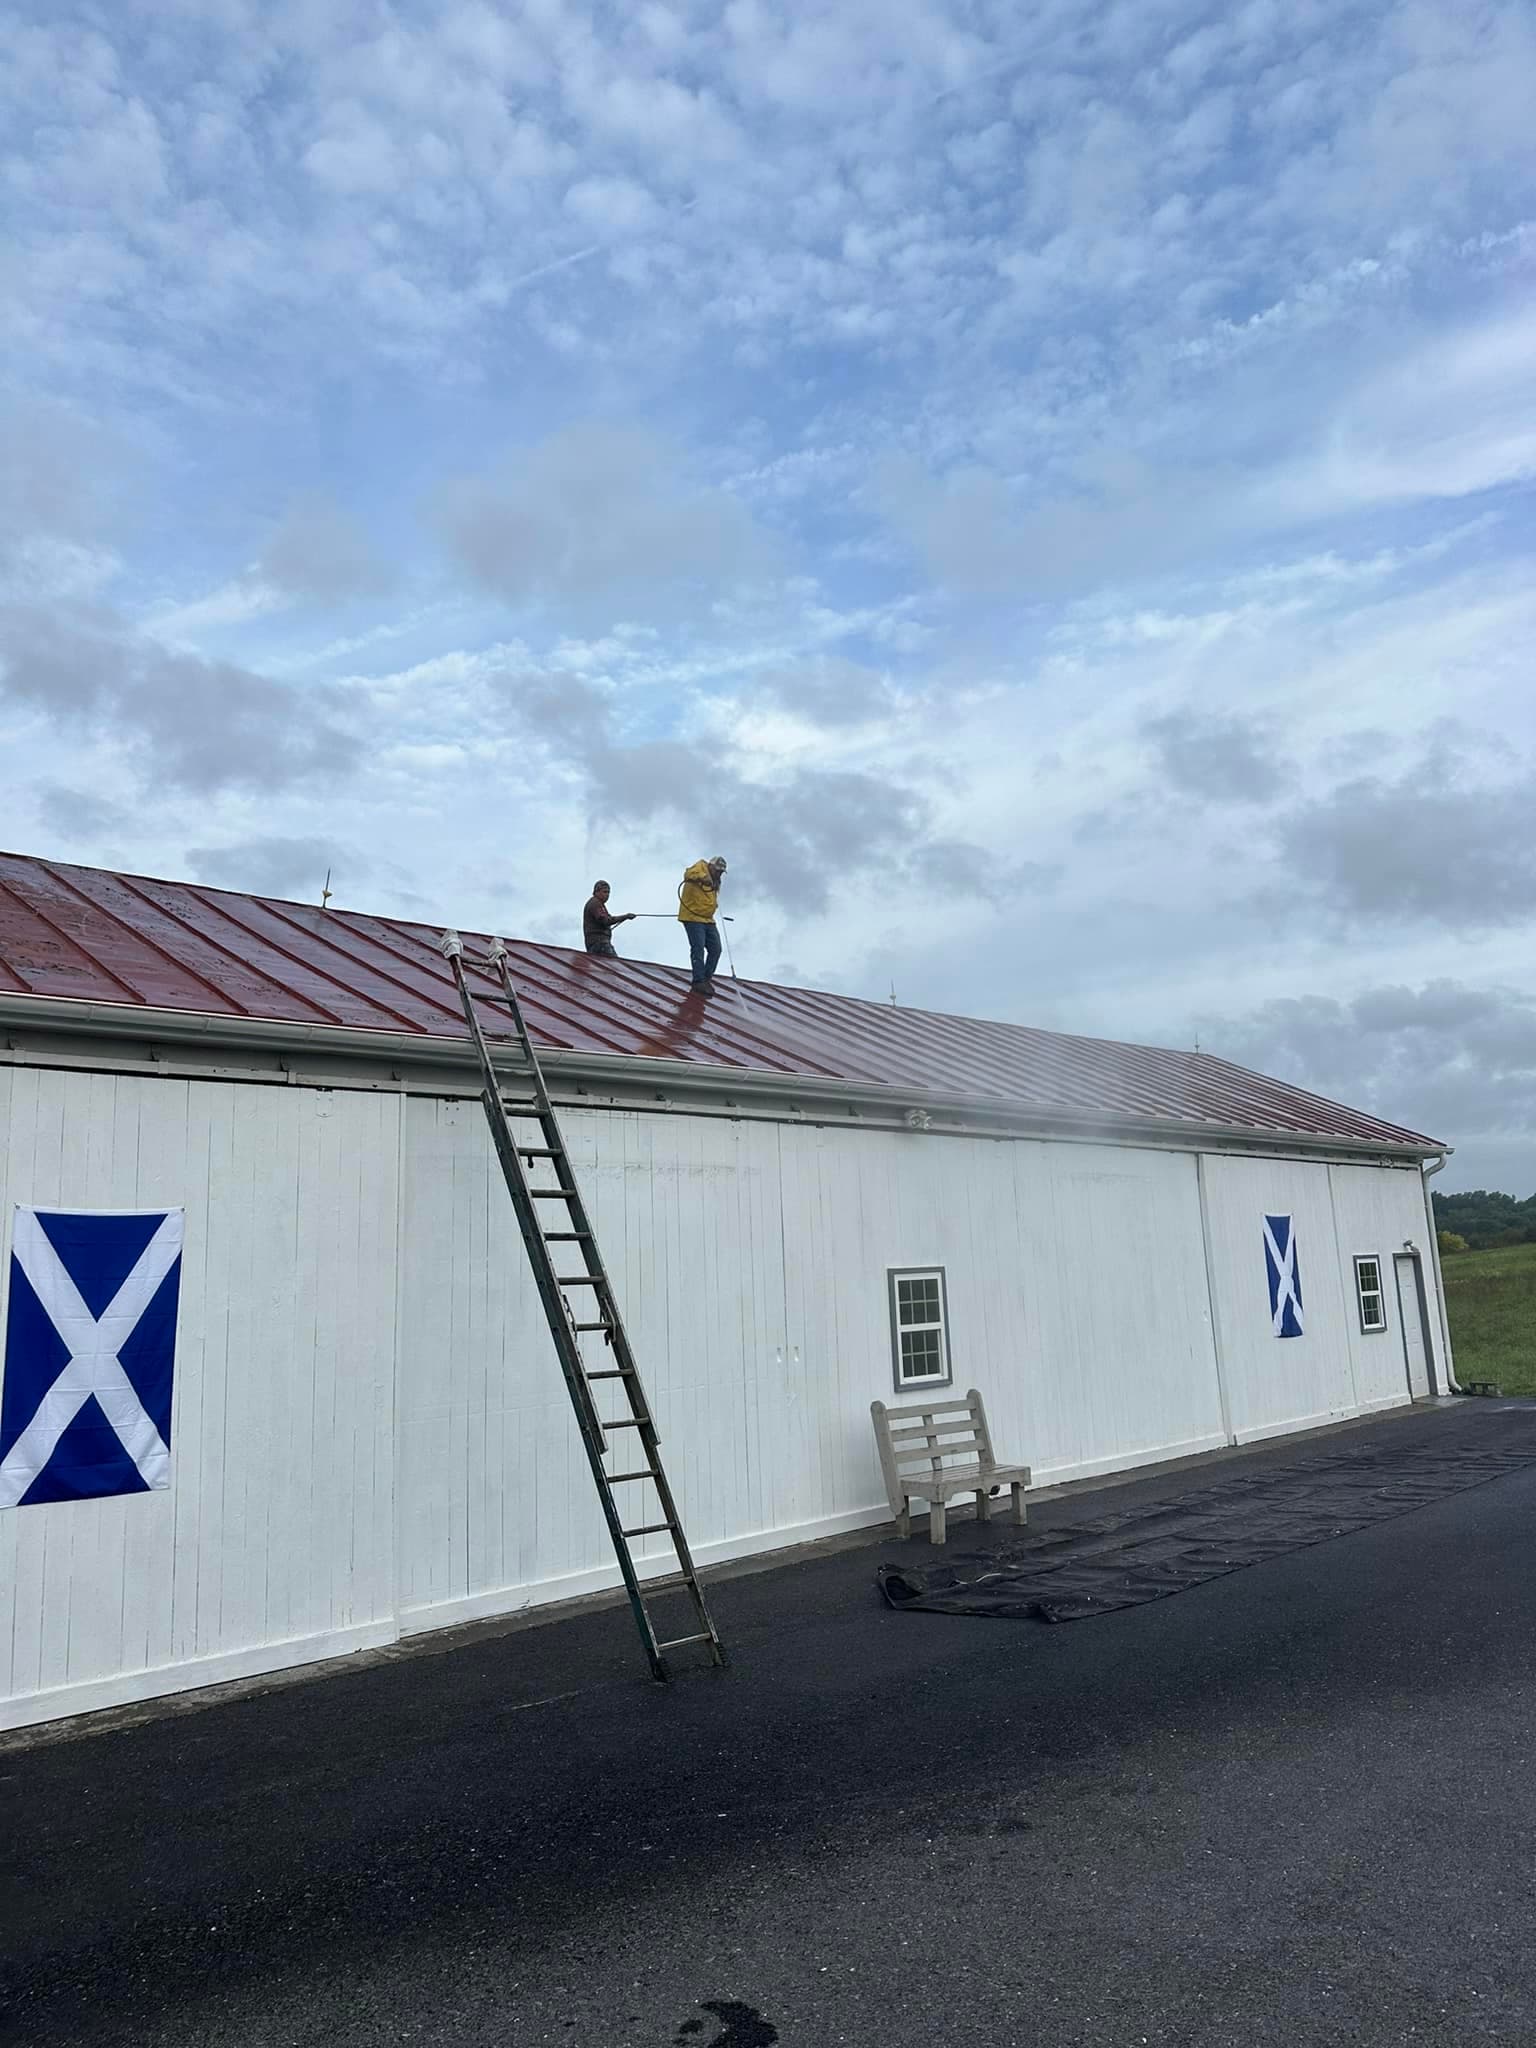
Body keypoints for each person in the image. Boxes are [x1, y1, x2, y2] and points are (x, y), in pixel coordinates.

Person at [677, 855, 726, 992]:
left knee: (716, 949)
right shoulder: (700, 867)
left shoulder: (716, 881)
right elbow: (688, 874)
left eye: (721, 872)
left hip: (708, 919)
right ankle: (698, 980)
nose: (719, 874)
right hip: (693, 917)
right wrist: (703, 877)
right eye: (718, 871)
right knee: (698, 947)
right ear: (711, 866)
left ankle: (705, 978)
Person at [582, 880, 634, 957]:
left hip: (595, 944)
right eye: (605, 892)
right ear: (597, 892)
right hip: (599, 944)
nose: (607, 895)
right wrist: (625, 916)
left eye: (608, 892)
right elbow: (606, 920)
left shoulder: (598, 904)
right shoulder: (595, 904)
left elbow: (608, 919)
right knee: (615, 965)